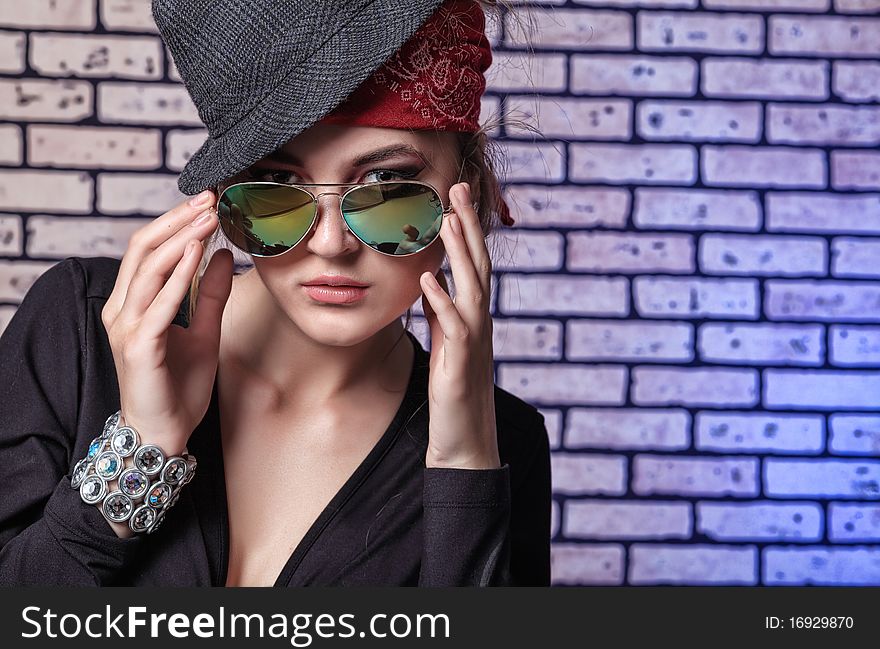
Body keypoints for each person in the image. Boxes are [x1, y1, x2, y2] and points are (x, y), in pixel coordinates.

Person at [0, 0, 550, 586]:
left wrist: (465, 471)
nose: (331, 243)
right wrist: (141, 451)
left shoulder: (503, 442)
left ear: (468, 189)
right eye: (279, 185)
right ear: (224, 194)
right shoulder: (83, 328)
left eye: (388, 183)